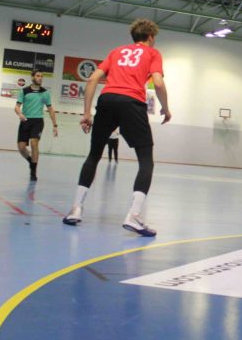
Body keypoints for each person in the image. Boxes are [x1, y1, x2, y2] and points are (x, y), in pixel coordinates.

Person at [62, 19, 171, 237]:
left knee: (94, 155)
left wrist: (86, 113)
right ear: (150, 37)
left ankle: (75, 209)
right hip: (132, 102)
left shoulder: (117, 51)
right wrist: (166, 109)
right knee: (146, 160)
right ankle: (134, 216)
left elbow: (92, 79)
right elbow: (158, 83)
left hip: (107, 100)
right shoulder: (153, 53)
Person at [15, 70, 58, 182]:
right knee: (21, 148)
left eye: (42, 76)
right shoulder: (24, 91)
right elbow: (17, 107)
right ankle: (31, 161)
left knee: (34, 143)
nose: (40, 78)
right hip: (25, 121)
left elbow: (50, 109)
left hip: (38, 121)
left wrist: (55, 125)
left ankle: (33, 172)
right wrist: (20, 114)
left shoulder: (45, 93)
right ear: (32, 77)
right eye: (38, 76)